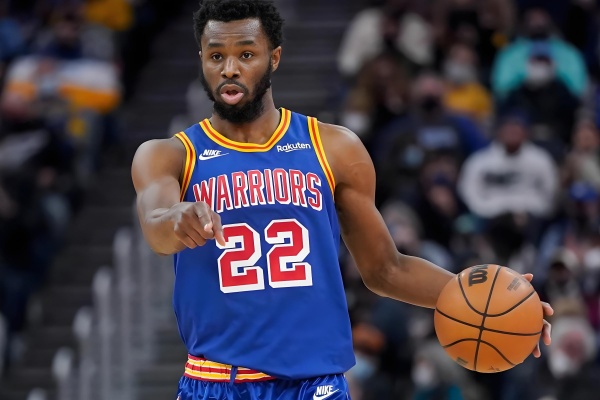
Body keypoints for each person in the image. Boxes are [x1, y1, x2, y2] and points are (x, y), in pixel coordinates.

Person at [130, 1, 553, 399]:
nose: (229, 69)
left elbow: (385, 268)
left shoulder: (332, 147)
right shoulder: (169, 155)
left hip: (315, 382)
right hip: (219, 382)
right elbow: (155, 224)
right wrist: (176, 217)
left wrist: (491, 301)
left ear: (274, 58)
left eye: (245, 54)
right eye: (215, 56)